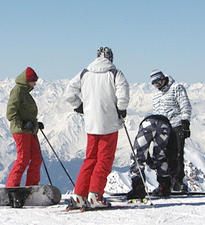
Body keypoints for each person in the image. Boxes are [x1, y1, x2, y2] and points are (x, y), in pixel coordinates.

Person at [65, 46, 130, 210]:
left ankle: (79, 195)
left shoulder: (84, 73)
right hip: (109, 123)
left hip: (91, 123)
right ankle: (95, 195)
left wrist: (79, 106)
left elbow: (69, 93)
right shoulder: (115, 73)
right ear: (111, 58)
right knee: (104, 160)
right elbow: (123, 94)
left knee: (90, 159)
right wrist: (121, 110)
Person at [150, 69, 192, 192]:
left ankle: (178, 181)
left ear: (163, 78)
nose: (157, 86)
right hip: (162, 128)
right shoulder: (156, 95)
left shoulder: (176, 88)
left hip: (176, 125)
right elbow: (156, 112)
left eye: (158, 83)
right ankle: (164, 182)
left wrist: (185, 122)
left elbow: (185, 105)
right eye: (154, 84)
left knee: (177, 154)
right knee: (163, 156)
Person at [5, 67, 44, 189]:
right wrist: (22, 124)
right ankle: (11, 187)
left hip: (29, 130)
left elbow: (26, 112)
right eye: (33, 81)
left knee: (37, 157)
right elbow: (11, 112)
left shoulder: (24, 92)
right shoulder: (18, 90)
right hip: (21, 131)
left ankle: (32, 187)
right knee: (23, 159)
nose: (35, 84)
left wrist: (36, 124)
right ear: (27, 81)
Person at [126, 115, 178, 200]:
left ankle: (138, 189)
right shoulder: (171, 131)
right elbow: (172, 151)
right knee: (160, 155)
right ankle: (164, 187)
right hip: (165, 125)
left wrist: (149, 161)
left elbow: (141, 153)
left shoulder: (146, 123)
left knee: (137, 155)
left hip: (148, 124)